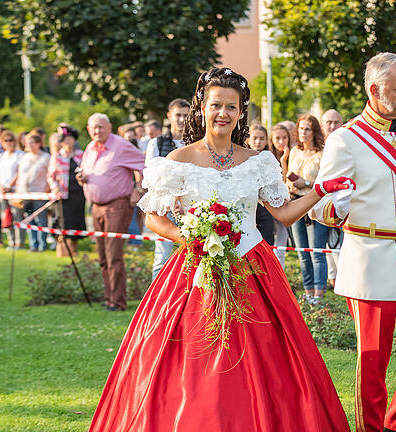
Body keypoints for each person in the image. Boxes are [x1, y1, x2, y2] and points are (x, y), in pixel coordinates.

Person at [89, 67, 351, 431]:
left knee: (268, 358)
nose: (223, 113)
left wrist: (319, 191)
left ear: (242, 111)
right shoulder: (180, 160)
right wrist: (192, 239)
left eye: (232, 106)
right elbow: (153, 218)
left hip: (254, 269)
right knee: (193, 356)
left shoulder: (259, 161)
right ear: (202, 107)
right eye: (216, 105)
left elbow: (284, 214)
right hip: (197, 267)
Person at [310, 52, 396, 432]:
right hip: (370, 259)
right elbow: (319, 207)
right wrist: (335, 206)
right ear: (374, 90)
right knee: (373, 361)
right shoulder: (344, 140)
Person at [76, 113, 145, 311]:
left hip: (116, 205)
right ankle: (109, 298)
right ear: (88, 130)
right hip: (95, 206)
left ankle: (118, 302)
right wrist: (83, 179)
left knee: (113, 255)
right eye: (93, 128)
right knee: (103, 257)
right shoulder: (90, 147)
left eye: (101, 127)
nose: (97, 131)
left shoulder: (121, 145)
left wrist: (138, 189)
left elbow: (145, 164)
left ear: (109, 127)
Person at [145, 98, 190, 280]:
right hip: (165, 206)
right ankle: (157, 301)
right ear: (169, 116)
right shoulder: (157, 143)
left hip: (189, 206)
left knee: (191, 255)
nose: (181, 120)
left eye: (185, 116)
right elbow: (151, 176)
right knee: (161, 257)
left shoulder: (195, 143)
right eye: (178, 115)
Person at [287, 113, 328, 304]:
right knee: (302, 252)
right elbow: (287, 174)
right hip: (295, 204)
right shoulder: (294, 151)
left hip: (315, 206)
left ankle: (319, 294)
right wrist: (291, 185)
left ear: (314, 132)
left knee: (316, 252)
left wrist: (306, 182)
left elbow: (325, 182)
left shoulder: (323, 154)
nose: (303, 132)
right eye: (301, 128)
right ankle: (308, 291)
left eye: (307, 129)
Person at [47, 130, 85, 257]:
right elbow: (50, 176)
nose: (68, 142)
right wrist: (55, 187)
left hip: (78, 194)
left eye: (71, 139)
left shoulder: (81, 155)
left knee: (76, 223)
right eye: (66, 139)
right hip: (63, 195)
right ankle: (62, 250)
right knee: (63, 223)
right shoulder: (57, 156)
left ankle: (73, 250)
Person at [321, 109, 344, 288]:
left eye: (336, 122)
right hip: (320, 203)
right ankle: (332, 280)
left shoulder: (346, 146)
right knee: (324, 248)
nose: (332, 126)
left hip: (343, 203)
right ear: (322, 125)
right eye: (329, 122)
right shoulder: (316, 148)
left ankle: (342, 281)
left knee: (341, 247)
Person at [16, 132, 51, 252]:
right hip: (25, 193)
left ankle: (42, 244)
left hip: (40, 193)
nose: (30, 145)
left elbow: (49, 175)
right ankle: (33, 244)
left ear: (38, 144)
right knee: (29, 219)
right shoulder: (24, 157)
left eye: (32, 143)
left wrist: (47, 190)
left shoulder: (45, 157)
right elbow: (20, 175)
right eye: (28, 143)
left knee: (41, 219)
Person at [0, 130, 24, 250]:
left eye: (11, 140)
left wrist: (10, 186)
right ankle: (11, 241)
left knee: (17, 215)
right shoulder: (1, 156)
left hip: (15, 190)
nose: (9, 143)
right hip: (2, 191)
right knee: (6, 216)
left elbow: (20, 172)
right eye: (6, 141)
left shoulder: (20, 155)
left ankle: (19, 241)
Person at [247, 123, 276, 245]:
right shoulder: (241, 158)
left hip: (264, 207)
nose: (258, 142)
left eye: (261, 138)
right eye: (255, 138)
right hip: (248, 205)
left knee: (267, 241)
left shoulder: (268, 159)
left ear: (266, 141)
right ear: (248, 139)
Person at [269, 123, 292, 268]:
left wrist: (284, 160)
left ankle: (281, 270)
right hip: (268, 204)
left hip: (285, 203)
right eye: (277, 138)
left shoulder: (292, 154)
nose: (281, 142)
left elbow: (286, 180)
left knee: (282, 238)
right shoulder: (267, 157)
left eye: (284, 138)